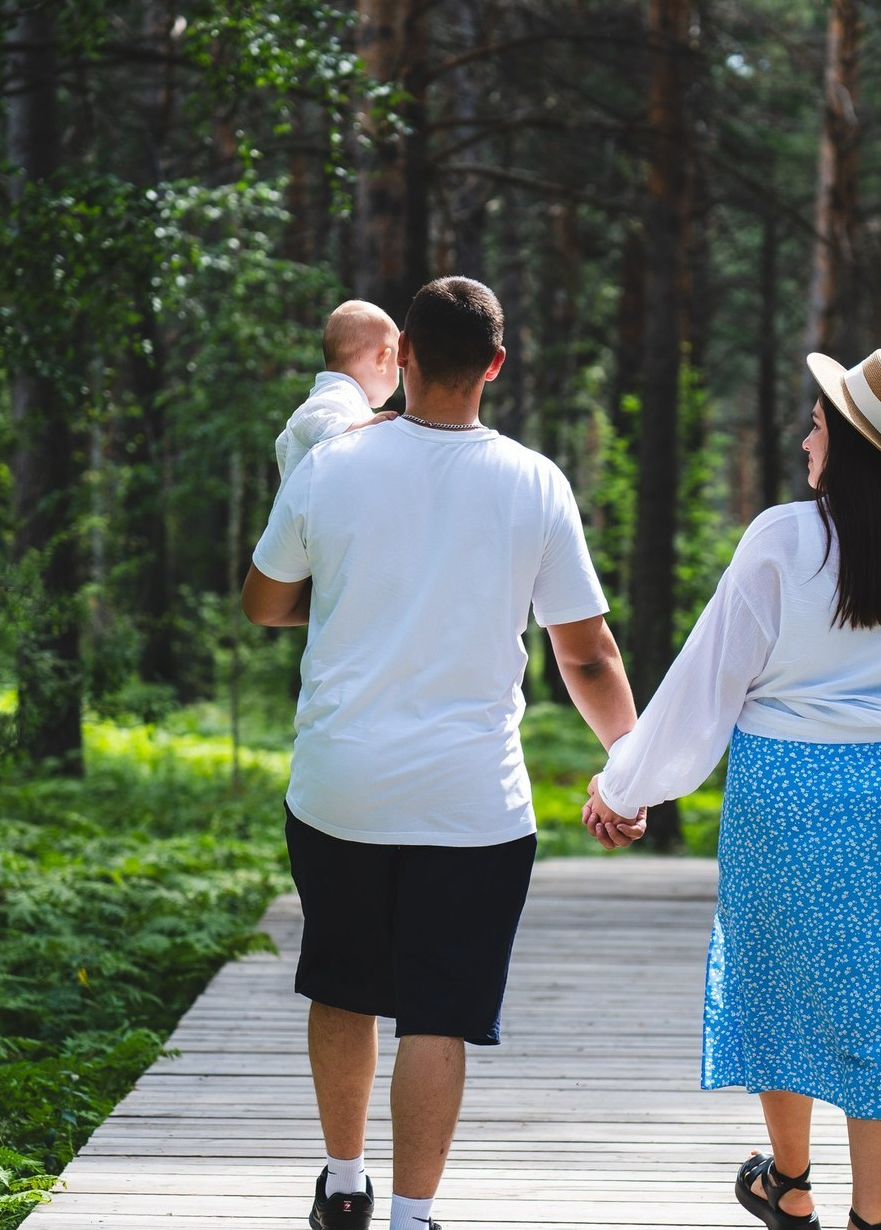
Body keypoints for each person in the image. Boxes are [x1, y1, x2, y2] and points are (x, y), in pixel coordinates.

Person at [583, 348, 881, 1230]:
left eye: (819, 426)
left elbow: (707, 681)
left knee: (782, 986)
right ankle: (873, 1218)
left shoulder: (785, 540)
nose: (803, 440)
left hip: (784, 800)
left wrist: (626, 783)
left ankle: (789, 1183)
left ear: (853, 447)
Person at [242, 276, 640, 1230]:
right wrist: (631, 768)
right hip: (473, 804)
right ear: (496, 366)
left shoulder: (332, 463)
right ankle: (415, 1217)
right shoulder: (534, 481)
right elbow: (585, 651)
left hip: (339, 788)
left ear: (403, 357)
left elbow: (263, 603)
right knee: (438, 1013)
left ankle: (345, 1185)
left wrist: (341, 595)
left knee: (341, 984)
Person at [275, 298, 402, 489]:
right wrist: (361, 426)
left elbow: (283, 442)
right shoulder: (340, 391)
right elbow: (307, 419)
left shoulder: (346, 396)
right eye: (398, 364)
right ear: (383, 361)